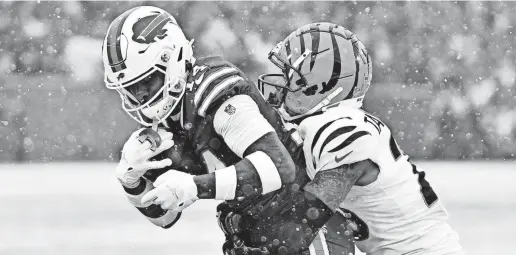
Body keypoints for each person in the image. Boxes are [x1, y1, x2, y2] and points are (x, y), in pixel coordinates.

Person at [102, 7, 358, 255]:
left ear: (173, 60)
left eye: (147, 82)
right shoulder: (170, 119)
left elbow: (280, 167)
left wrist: (194, 186)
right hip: (263, 237)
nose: (141, 96)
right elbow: (166, 216)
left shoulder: (213, 92)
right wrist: (131, 182)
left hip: (307, 227)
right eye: (131, 89)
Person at [255, 22, 464, 255]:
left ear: (320, 84)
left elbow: (309, 216)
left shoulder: (341, 128)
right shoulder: (327, 122)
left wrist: (258, 227)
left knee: (305, 229)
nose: (281, 84)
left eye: (290, 76)